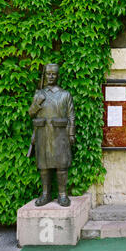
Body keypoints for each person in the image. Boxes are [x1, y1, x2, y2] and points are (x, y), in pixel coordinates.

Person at [29, 63, 75, 207]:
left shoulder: (65, 94)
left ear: (57, 76)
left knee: (61, 165)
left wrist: (71, 134)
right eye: (48, 73)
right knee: (43, 165)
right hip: (42, 133)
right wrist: (37, 103)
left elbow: (71, 116)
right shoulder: (39, 94)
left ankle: (62, 195)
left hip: (60, 134)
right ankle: (45, 194)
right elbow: (31, 113)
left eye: (53, 74)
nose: (50, 76)